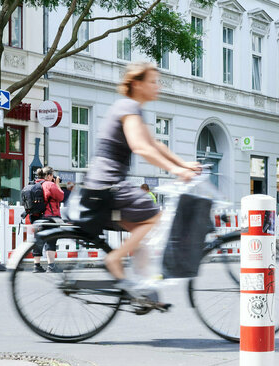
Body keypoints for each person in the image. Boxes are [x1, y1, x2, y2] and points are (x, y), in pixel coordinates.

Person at [83, 62, 200, 295]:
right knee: (153, 216)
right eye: (153, 81)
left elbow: (154, 144)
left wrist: (184, 164)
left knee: (142, 231)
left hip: (104, 182)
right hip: (107, 184)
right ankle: (115, 260)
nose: (158, 86)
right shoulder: (128, 107)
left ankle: (144, 290)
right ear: (137, 84)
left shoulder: (131, 107)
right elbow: (141, 148)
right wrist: (176, 171)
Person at [28, 167, 64, 273]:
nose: (53, 177)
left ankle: (37, 265)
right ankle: (51, 266)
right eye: (52, 175)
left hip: (38, 217)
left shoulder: (36, 184)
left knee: (39, 240)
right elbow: (61, 196)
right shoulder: (50, 184)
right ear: (48, 175)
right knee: (51, 240)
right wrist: (57, 183)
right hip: (51, 217)